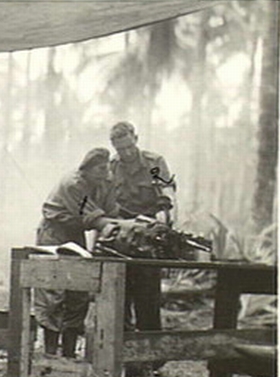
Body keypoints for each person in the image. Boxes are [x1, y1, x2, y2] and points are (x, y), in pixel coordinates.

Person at [34, 148, 119, 357]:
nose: (103, 173)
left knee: (78, 293)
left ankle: (69, 354)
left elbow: (112, 212)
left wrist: (120, 223)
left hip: (76, 234)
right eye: (99, 169)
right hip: (53, 234)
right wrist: (116, 225)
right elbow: (97, 219)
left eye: (106, 168)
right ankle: (50, 355)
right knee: (52, 290)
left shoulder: (105, 183)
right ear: (86, 169)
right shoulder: (74, 184)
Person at [108, 121, 177, 339]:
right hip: (120, 236)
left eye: (129, 146)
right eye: (121, 149)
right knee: (119, 295)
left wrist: (163, 215)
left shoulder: (153, 163)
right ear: (114, 147)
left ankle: (150, 355)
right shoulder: (111, 167)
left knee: (147, 295)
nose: (126, 153)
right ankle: (121, 349)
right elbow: (104, 199)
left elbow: (166, 191)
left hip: (147, 235)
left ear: (136, 139)